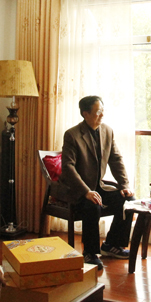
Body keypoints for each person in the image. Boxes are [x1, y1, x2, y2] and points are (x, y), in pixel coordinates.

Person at [60, 96, 135, 270]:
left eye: (103, 110)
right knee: (93, 205)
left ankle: (111, 245)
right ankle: (90, 252)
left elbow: (116, 160)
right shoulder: (72, 135)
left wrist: (124, 185)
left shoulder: (107, 131)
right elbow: (68, 167)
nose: (102, 115)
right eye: (98, 112)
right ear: (85, 114)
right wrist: (86, 191)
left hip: (99, 186)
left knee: (128, 201)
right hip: (78, 189)